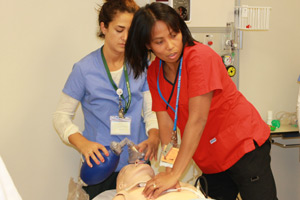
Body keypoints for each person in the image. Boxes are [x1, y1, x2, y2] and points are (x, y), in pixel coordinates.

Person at [125, 2, 277, 200]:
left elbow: (197, 119)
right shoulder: (155, 72)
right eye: (159, 41)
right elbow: (166, 126)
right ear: (147, 44)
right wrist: (168, 168)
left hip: (243, 147)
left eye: (174, 35)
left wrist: (174, 175)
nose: (170, 45)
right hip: (211, 159)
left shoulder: (199, 58)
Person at [52, 0, 160, 199]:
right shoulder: (84, 69)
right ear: (104, 27)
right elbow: (61, 117)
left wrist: (154, 136)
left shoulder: (142, 64)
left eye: (131, 31)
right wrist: (83, 144)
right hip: (100, 166)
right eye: (119, 30)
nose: (126, 38)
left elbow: (150, 109)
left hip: (137, 164)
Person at [112, 162, 208, 200]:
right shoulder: (124, 193)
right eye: (131, 166)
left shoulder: (170, 182)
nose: (137, 161)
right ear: (121, 185)